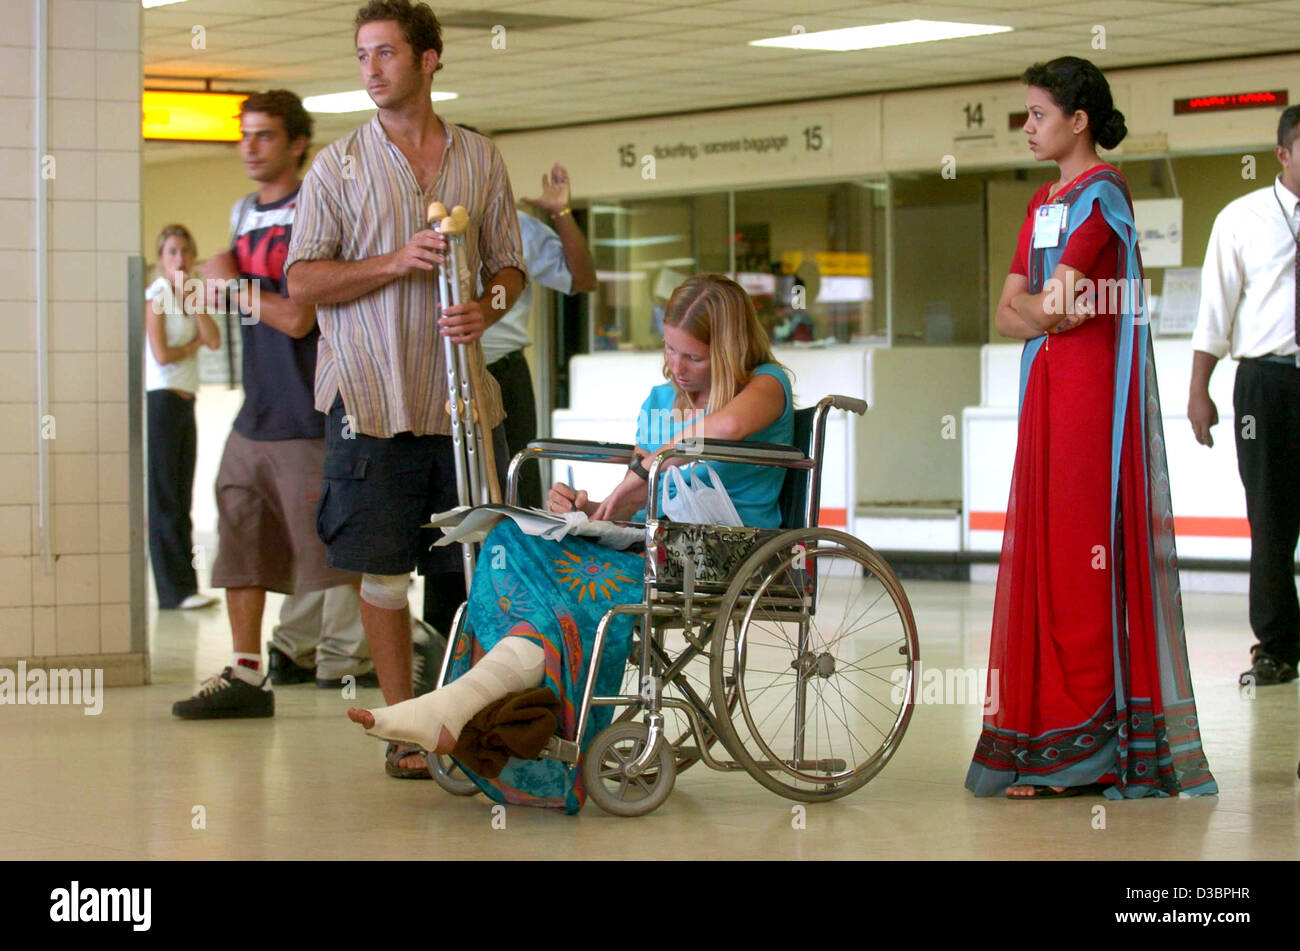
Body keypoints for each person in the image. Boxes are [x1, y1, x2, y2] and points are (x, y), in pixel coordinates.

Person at [347, 273, 794, 812]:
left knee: (578, 586)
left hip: (727, 554)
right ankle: (475, 711)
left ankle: (463, 709)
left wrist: (666, 448)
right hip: (656, 545)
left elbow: (724, 428)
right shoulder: (663, 397)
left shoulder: (765, 384)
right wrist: (585, 510)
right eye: (669, 349)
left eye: (694, 358)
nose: (676, 368)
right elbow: (632, 497)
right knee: (510, 537)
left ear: (728, 351)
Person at [965, 57, 1217, 800]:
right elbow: (1012, 309)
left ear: (1080, 121)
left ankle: (1085, 751)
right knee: (1043, 555)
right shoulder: (1044, 199)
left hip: (1086, 397)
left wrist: (1042, 310)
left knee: (1082, 558)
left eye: (1040, 113)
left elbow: (1060, 300)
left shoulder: (1103, 192)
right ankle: (1042, 741)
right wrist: (1043, 311)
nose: (1028, 126)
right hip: (1044, 390)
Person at [285, 0, 526, 777]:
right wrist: (394, 260)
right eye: (361, 56)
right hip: (372, 403)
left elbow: (509, 266)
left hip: (462, 402)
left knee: (473, 567)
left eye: (385, 53)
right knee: (384, 567)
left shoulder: (481, 160)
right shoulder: (337, 166)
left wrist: (486, 309)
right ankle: (405, 730)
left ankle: (468, 717)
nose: (370, 69)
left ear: (429, 59)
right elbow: (302, 279)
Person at [172, 91, 368, 721]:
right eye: (244, 135)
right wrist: (212, 286)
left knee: (330, 556)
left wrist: (233, 288)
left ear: (296, 144)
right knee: (241, 541)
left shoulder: (316, 208)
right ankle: (246, 673)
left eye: (264, 136)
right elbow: (236, 293)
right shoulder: (242, 212)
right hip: (255, 412)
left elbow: (297, 316)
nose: (249, 148)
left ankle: (362, 666)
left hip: (311, 410)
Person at [420, 154, 597, 638]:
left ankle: (514, 611)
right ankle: (445, 625)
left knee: (513, 493)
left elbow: (582, 280)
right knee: (448, 499)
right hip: (438, 376)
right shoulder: (422, 228)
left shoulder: (512, 227)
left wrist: (561, 215)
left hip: (502, 371)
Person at [1188, 106, 1300, 689]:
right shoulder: (1242, 218)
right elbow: (1215, 308)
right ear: (1282, 154)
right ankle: (1278, 648)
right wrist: (1198, 389)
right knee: (1272, 517)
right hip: (1266, 383)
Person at [145, 224, 220, 611]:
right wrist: (191, 345)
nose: (180, 259)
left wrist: (193, 301)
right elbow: (162, 355)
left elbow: (215, 340)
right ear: (161, 258)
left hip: (185, 402)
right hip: (160, 403)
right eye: (172, 252)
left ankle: (187, 589)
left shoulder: (189, 296)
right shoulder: (156, 297)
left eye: (186, 252)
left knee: (183, 496)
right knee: (165, 499)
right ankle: (172, 594)